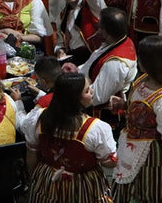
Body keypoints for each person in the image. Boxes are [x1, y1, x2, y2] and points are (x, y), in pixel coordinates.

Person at [111, 36, 162, 203]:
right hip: (131, 149)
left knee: (152, 195)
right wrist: (124, 105)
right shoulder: (143, 81)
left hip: (155, 160)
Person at [24, 72, 117, 203]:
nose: (91, 91)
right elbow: (108, 161)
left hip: (47, 179)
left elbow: (31, 154)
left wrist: (35, 179)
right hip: (83, 185)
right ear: (75, 99)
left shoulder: (39, 118)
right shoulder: (95, 128)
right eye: (86, 90)